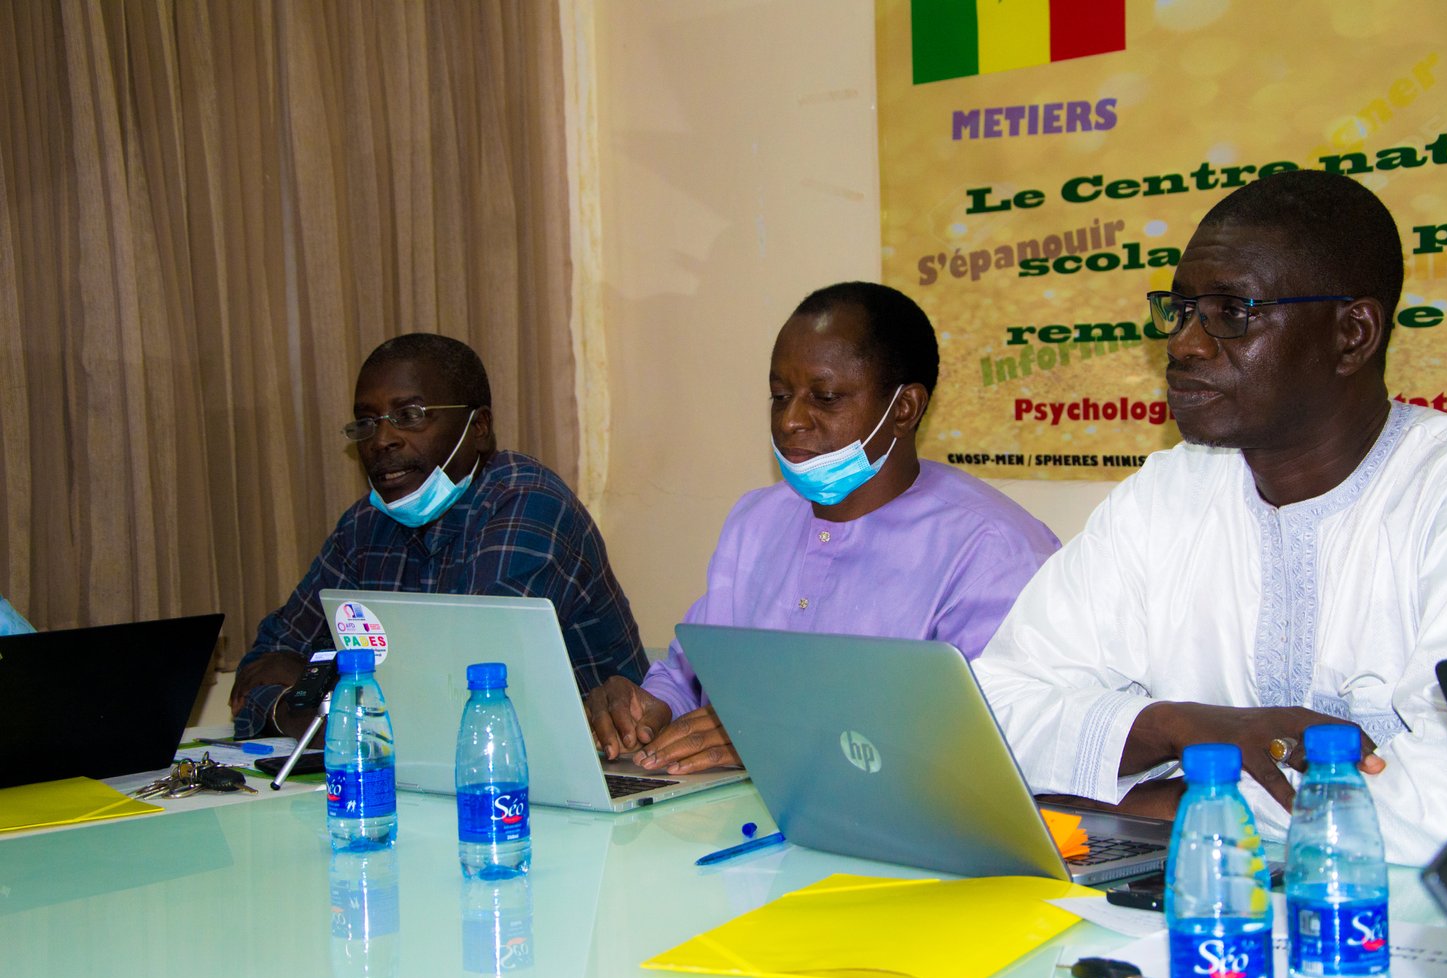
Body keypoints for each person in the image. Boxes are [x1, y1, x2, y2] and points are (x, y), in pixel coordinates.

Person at [974, 170, 1447, 867]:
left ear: (1352, 335)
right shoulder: (1169, 491)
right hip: (1195, 909)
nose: (1185, 344)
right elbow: (993, 712)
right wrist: (1175, 725)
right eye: (1180, 310)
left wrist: (1174, 800)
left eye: (1232, 312)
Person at [586, 282, 1061, 773]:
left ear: (903, 409)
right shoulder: (757, 521)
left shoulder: (992, 550)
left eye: (826, 397)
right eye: (780, 396)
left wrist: (787, 738)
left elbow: (994, 748)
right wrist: (646, 710)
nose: (790, 421)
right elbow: (693, 676)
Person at [231, 332, 647, 738]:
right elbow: (262, 668)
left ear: (478, 426)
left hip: (592, 767)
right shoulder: (364, 526)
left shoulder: (526, 501)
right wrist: (296, 709)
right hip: (432, 769)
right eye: (367, 422)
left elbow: (465, 689)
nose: (382, 440)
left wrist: (319, 701)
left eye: (410, 416)